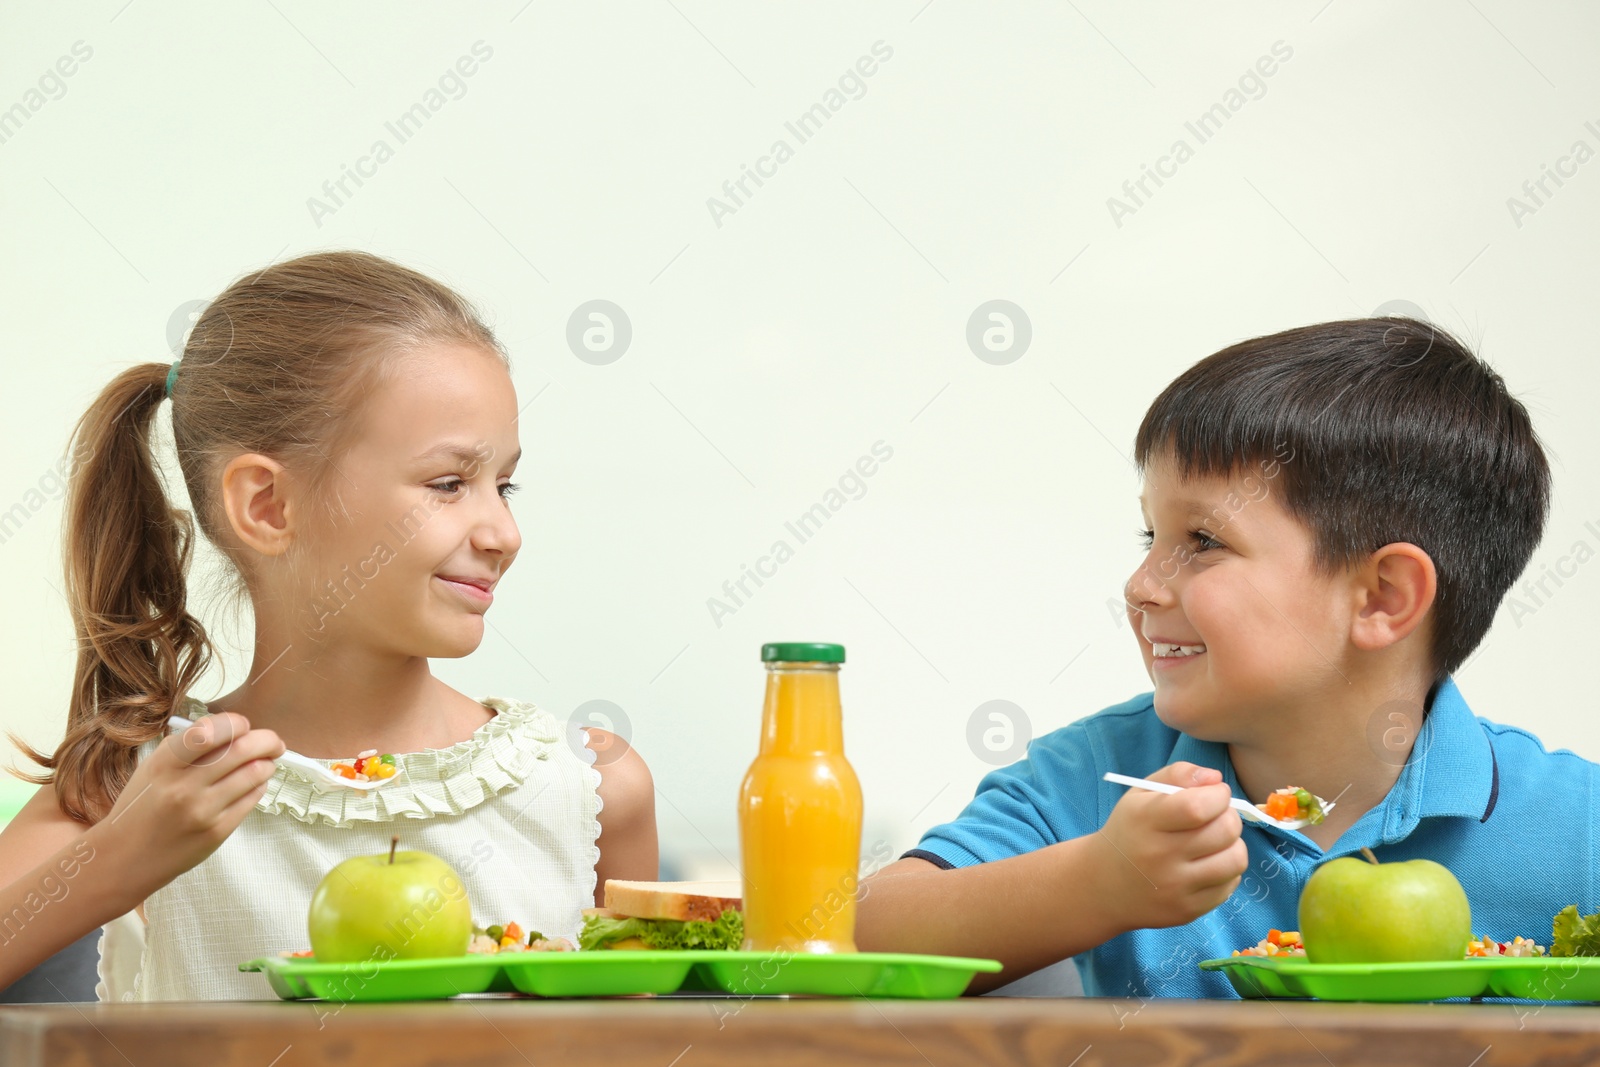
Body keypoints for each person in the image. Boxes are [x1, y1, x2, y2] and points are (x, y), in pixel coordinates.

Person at [857, 317, 1597, 998]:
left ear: (1382, 597)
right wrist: (1099, 882)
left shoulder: (1576, 827)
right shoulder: (1096, 782)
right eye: (1152, 539)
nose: (1141, 585)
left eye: (1202, 543)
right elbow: (858, 935)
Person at [0, 251, 657, 1000]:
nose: (503, 531)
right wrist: (120, 858)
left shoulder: (594, 788)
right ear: (268, 507)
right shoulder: (145, 790)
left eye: (503, 484)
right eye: (449, 483)